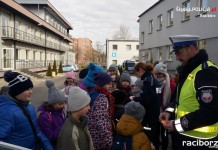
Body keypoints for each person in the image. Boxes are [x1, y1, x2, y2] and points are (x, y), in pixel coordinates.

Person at [159, 35, 218, 149]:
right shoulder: (188, 71)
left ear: (191, 48)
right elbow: (179, 100)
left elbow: (212, 112)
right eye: (175, 53)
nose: (176, 57)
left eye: (179, 52)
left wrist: (178, 125)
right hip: (183, 137)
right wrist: (168, 112)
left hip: (201, 141)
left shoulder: (205, 73)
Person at [0, 71, 53, 150]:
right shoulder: (7, 112)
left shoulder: (29, 106)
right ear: (16, 91)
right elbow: (2, 143)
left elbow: (36, 130)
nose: (31, 92)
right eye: (27, 89)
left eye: (31, 88)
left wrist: (48, 147)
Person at [132, 63, 161, 150]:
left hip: (150, 116)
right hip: (155, 113)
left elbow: (147, 101)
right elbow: (156, 96)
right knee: (154, 137)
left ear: (141, 70)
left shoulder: (148, 81)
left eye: (137, 74)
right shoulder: (154, 80)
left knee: (149, 139)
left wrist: (135, 99)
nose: (138, 77)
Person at [87, 72, 114, 150]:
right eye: (108, 84)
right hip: (99, 138)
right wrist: (109, 141)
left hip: (92, 133)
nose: (110, 86)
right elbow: (101, 122)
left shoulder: (92, 93)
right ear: (102, 84)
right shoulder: (101, 98)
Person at [37, 79, 67, 149]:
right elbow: (50, 136)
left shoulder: (61, 111)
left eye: (64, 103)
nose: (63, 106)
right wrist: (63, 126)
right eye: (60, 104)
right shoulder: (45, 116)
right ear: (52, 103)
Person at [154, 62, 172, 150]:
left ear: (164, 74)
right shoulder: (154, 83)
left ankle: (165, 147)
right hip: (156, 111)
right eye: (156, 74)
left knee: (164, 131)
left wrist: (167, 111)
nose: (157, 76)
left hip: (165, 112)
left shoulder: (170, 84)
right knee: (156, 131)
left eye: (159, 74)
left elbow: (172, 100)